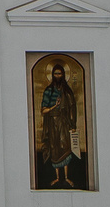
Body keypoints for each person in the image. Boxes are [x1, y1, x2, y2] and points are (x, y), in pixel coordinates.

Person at [35, 58, 88, 190]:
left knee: (65, 147)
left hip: (64, 123)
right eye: (55, 74)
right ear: (52, 75)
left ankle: (67, 176)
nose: (57, 76)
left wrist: (72, 123)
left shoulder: (67, 91)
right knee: (55, 149)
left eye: (60, 74)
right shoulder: (49, 91)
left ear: (63, 75)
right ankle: (57, 177)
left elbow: (72, 107)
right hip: (53, 124)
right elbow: (43, 110)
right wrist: (54, 106)